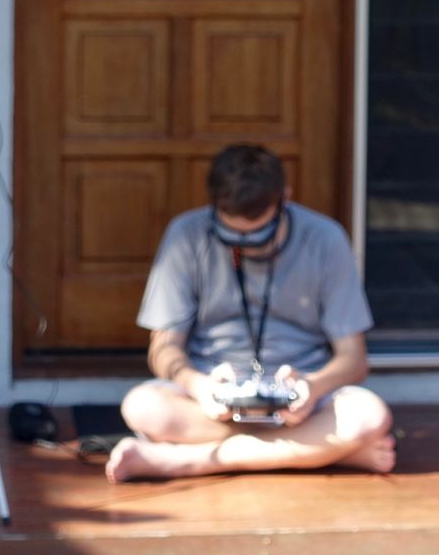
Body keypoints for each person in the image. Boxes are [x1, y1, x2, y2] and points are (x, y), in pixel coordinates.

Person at [106, 143, 395, 482]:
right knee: (141, 406)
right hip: (212, 399)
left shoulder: (325, 238)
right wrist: (195, 383)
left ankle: (189, 461)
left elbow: (354, 359)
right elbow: (162, 349)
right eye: (230, 234)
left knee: (369, 416)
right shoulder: (186, 234)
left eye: (259, 233)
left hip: (302, 399)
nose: (243, 244)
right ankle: (328, 453)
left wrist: (314, 386)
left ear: (284, 199)